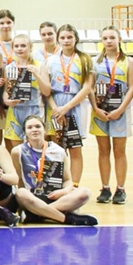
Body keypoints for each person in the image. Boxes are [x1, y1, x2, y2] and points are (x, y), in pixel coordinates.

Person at [12, 114, 96, 226]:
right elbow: (19, 181)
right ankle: (66, 218)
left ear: (45, 130)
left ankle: (38, 214)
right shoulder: (17, 151)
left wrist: (63, 192)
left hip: (55, 197)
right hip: (32, 198)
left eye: (38, 126)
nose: (34, 129)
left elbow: (68, 180)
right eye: (30, 127)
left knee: (85, 193)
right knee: (20, 193)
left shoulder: (59, 151)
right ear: (25, 132)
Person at [90, 26, 133, 205]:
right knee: (103, 151)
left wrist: (120, 110)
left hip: (120, 112)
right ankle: (105, 187)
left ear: (119, 39)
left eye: (112, 37)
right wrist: (96, 109)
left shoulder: (129, 62)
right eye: (105, 38)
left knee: (119, 151)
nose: (108, 41)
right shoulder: (94, 62)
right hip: (100, 112)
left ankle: (121, 188)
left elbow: (132, 87)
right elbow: (90, 88)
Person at [46, 24, 93, 185]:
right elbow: (46, 90)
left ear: (76, 39)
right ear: (58, 39)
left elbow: (87, 87)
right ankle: (57, 184)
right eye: (63, 37)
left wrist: (66, 108)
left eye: (69, 37)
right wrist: (55, 109)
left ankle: (74, 185)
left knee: (75, 149)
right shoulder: (51, 61)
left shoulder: (85, 59)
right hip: (55, 107)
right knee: (56, 148)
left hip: (75, 106)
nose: (66, 40)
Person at [2, 34, 51, 149]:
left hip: (35, 109)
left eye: (23, 46)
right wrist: (7, 101)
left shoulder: (40, 66)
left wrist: (36, 74)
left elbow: (47, 92)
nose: (19, 49)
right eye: (16, 46)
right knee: (17, 149)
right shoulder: (8, 68)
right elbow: (5, 91)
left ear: (30, 47)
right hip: (15, 111)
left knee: (36, 146)